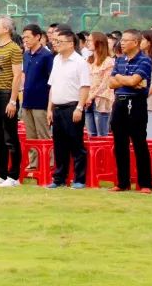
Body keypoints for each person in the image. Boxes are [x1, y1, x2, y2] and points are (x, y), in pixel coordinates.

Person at [108, 29, 152, 193]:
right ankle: (122, 182)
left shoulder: (145, 60)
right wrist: (126, 81)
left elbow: (136, 80)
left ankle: (145, 183)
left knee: (139, 143)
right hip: (119, 103)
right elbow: (111, 83)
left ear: (135, 42)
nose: (122, 43)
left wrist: (122, 79)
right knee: (120, 144)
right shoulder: (119, 60)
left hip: (136, 104)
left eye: (126, 40)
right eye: (122, 40)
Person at [45, 27, 90, 189]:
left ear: (71, 44)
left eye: (59, 42)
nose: (56, 44)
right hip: (57, 107)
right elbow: (52, 85)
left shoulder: (80, 62)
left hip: (72, 107)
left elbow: (85, 86)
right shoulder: (57, 59)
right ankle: (59, 178)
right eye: (55, 42)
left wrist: (79, 107)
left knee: (76, 144)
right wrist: (50, 108)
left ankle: (79, 178)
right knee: (59, 145)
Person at [0, 17, 23, 187]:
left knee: (10, 137)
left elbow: (17, 75)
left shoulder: (14, 49)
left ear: (6, 29)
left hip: (7, 94)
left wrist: (13, 100)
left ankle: (13, 176)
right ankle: (1, 174)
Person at [19, 24, 54, 171]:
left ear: (38, 37)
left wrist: (50, 106)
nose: (25, 40)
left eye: (28, 37)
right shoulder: (26, 55)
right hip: (27, 100)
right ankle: (34, 163)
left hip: (41, 102)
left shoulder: (47, 56)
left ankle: (49, 163)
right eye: (23, 37)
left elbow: (52, 81)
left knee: (43, 134)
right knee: (31, 135)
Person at [83, 32, 114, 137]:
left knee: (102, 135)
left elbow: (105, 84)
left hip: (101, 100)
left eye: (90, 40)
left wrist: (90, 97)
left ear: (99, 43)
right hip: (88, 101)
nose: (88, 43)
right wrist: (86, 97)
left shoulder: (108, 61)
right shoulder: (88, 60)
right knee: (91, 134)